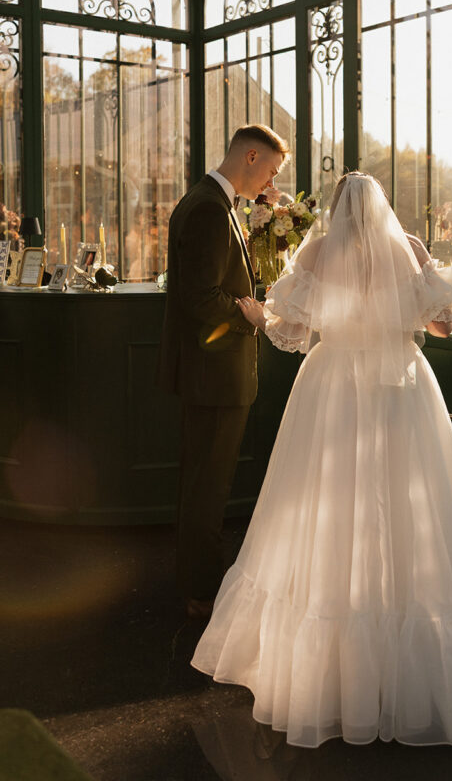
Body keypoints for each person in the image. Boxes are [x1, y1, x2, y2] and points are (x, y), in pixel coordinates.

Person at [192, 172, 452, 746]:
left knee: (330, 500)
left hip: (332, 385)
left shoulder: (315, 251)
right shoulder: (406, 249)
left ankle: (331, 667)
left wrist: (259, 318)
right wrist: (417, 289)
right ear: (383, 207)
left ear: (335, 209)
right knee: (411, 501)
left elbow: (292, 330)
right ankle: (416, 656)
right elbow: (441, 323)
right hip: (401, 386)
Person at [157, 124, 289, 620]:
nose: (270, 180)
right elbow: (200, 296)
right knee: (207, 488)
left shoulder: (209, 201)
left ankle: (196, 582)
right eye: (271, 170)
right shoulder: (210, 209)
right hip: (215, 376)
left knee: (201, 483)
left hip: (209, 374)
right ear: (251, 157)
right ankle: (202, 594)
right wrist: (247, 315)